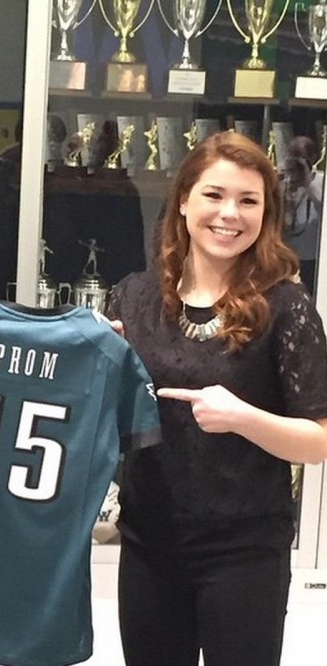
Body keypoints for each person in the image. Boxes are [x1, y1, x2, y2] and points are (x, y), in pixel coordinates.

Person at [106, 130, 327, 666]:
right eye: (214, 195)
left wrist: (245, 418)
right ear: (183, 200)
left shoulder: (287, 307)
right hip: (147, 541)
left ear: (265, 214)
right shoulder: (133, 297)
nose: (230, 214)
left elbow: (318, 442)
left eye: (248, 201)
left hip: (245, 550)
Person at [281, 135, 324, 294]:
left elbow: (323, 207)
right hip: (288, 255)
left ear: (312, 158)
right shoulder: (285, 180)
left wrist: (307, 182)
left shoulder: (320, 182)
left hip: (312, 258)